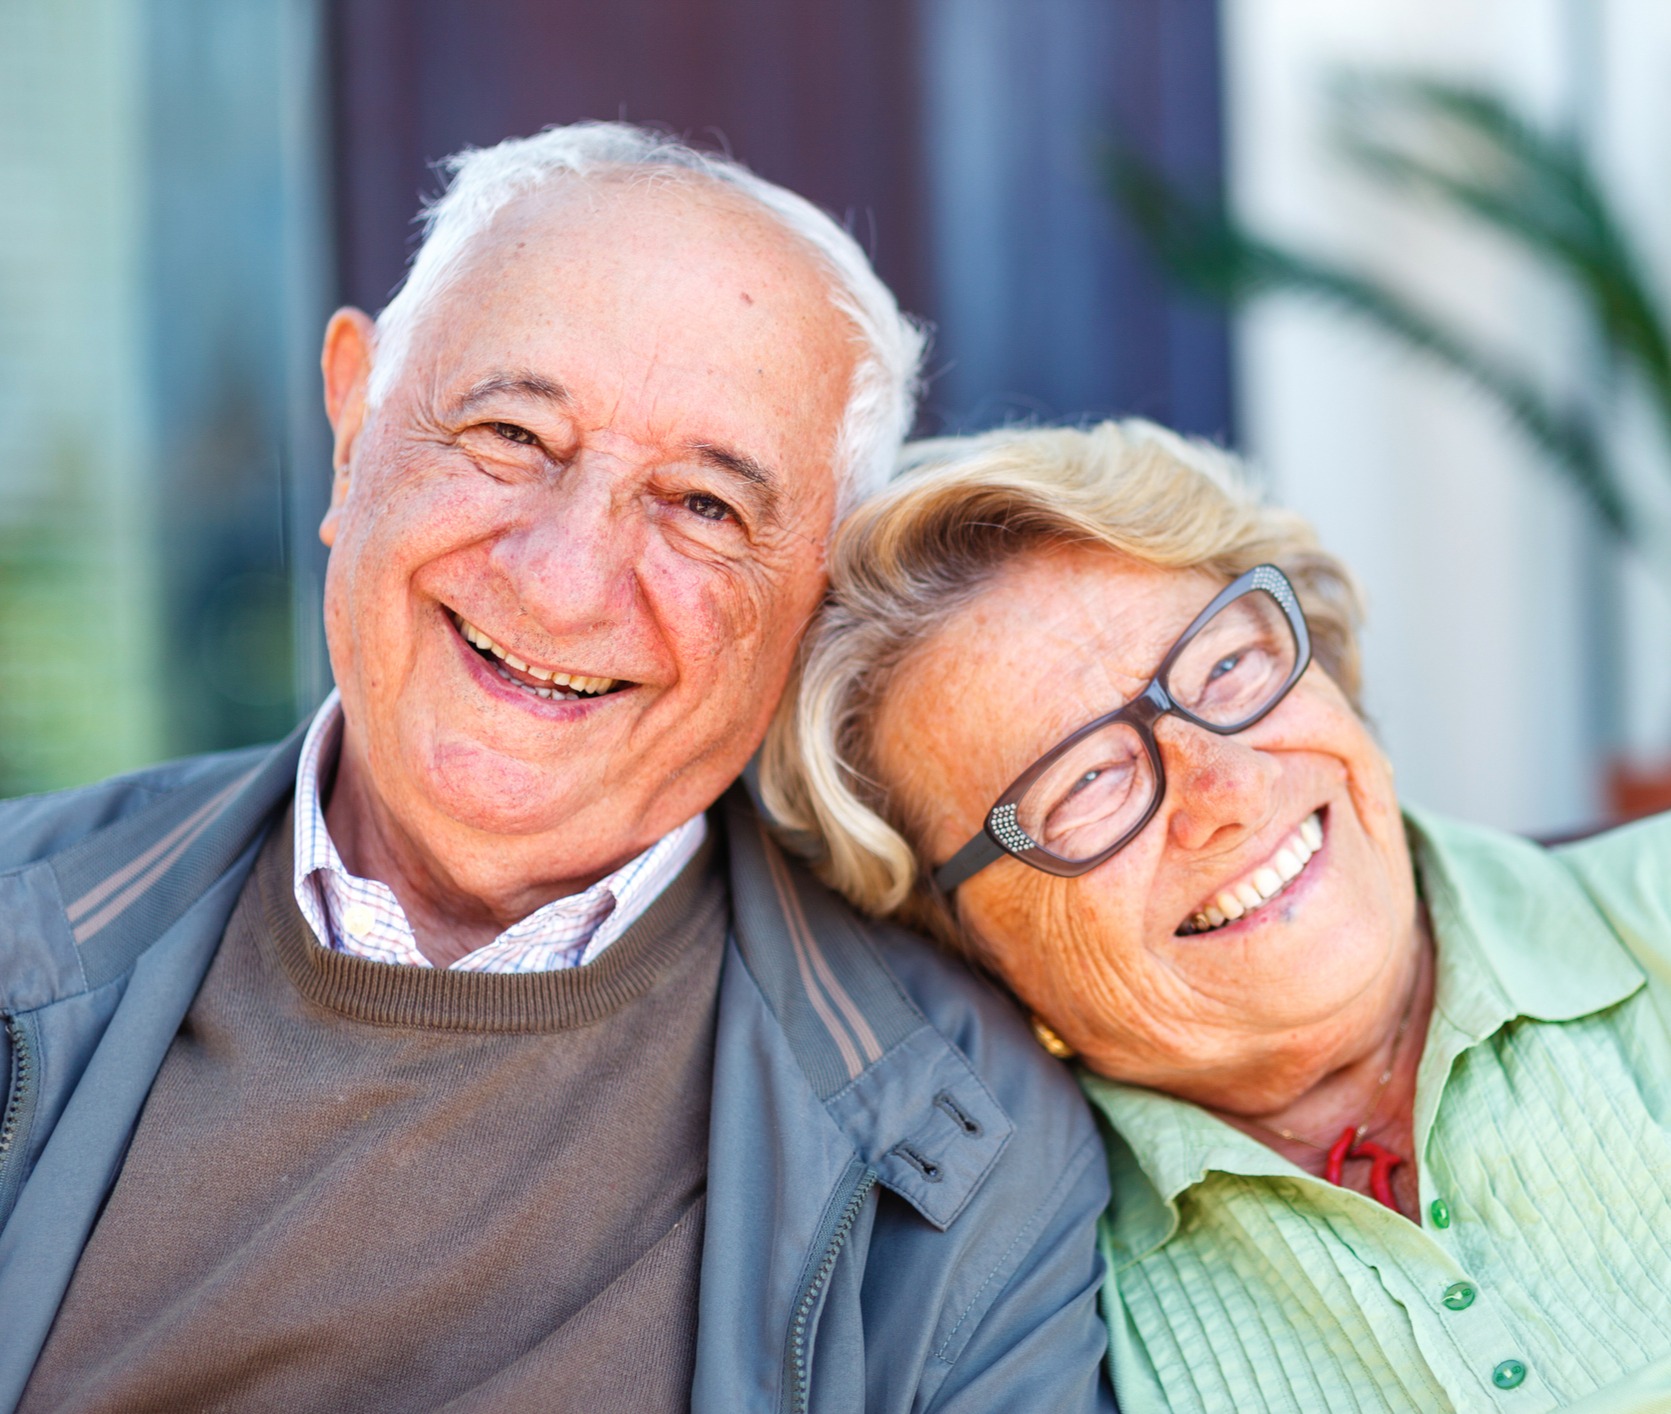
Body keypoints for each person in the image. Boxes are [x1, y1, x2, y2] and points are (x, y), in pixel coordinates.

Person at [0, 125, 1115, 1413]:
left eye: (704, 505)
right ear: (355, 425)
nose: (564, 577)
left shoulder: (964, 1149)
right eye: (513, 433)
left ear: (818, 594)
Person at [763, 417, 1671, 1414]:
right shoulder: (1020, 1314)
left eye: (1227, 668)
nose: (1227, 785)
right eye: (1087, 780)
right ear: (964, 937)